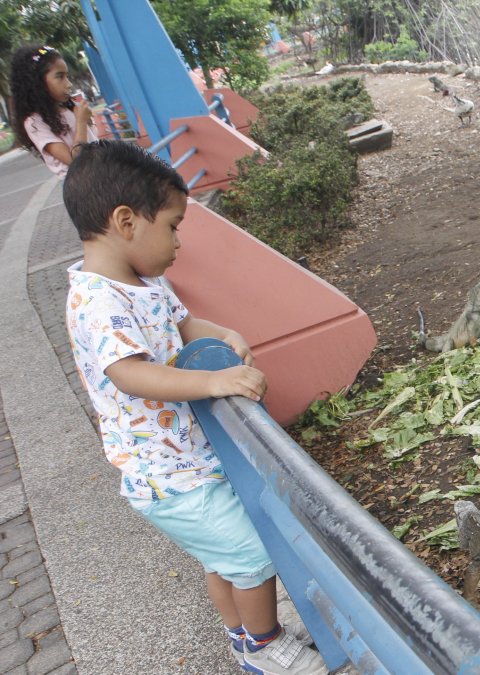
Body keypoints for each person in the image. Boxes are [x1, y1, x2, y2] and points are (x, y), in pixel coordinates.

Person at [62, 140, 327, 675]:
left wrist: (225, 333)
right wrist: (212, 381)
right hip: (166, 475)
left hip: (191, 460)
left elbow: (183, 326)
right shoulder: (97, 301)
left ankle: (243, 635)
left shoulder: (144, 284)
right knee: (252, 554)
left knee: (223, 558)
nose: (179, 241)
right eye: (173, 226)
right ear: (126, 221)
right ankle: (265, 646)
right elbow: (130, 373)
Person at [10, 44, 98, 178]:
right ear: (38, 83)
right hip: (82, 185)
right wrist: (81, 121)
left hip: (101, 175)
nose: (69, 84)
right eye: (60, 76)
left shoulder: (70, 108)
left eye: (67, 76)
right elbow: (75, 161)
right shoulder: (34, 123)